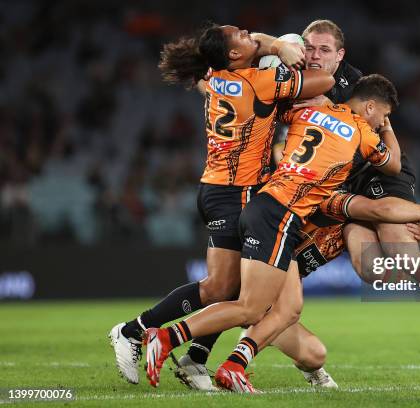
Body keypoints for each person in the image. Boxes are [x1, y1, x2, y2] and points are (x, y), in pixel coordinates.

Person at [109, 21, 335, 387]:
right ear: (234, 54)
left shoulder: (218, 74)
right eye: (242, 36)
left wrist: (274, 45)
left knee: (220, 288)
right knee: (236, 294)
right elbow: (323, 83)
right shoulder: (258, 83)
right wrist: (282, 52)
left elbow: (254, 46)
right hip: (238, 193)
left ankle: (190, 356)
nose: (250, 35)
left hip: (216, 188)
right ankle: (138, 331)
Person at [142, 73, 403, 390]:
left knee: (290, 313)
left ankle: (233, 363)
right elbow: (392, 171)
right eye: (384, 116)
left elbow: (272, 112)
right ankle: (167, 338)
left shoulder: (310, 111)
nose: (382, 123)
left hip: (263, 206)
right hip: (280, 214)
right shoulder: (361, 137)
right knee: (248, 306)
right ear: (371, 107)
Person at [286, 19, 420, 376]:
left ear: (339, 55)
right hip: (340, 184)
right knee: (373, 271)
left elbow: (387, 142)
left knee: (403, 251)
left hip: (381, 174)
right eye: (309, 47)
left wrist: (405, 211)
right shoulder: (292, 78)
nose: (314, 55)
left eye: (324, 50)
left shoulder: (354, 86)